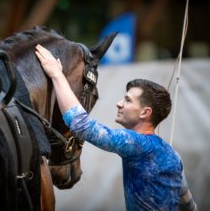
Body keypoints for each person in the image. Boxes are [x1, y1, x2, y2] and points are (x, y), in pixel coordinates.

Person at [35, 44, 197, 211]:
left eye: (127, 100)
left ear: (145, 112)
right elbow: (190, 207)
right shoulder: (174, 157)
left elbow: (82, 126)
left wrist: (56, 75)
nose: (119, 104)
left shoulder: (138, 144)